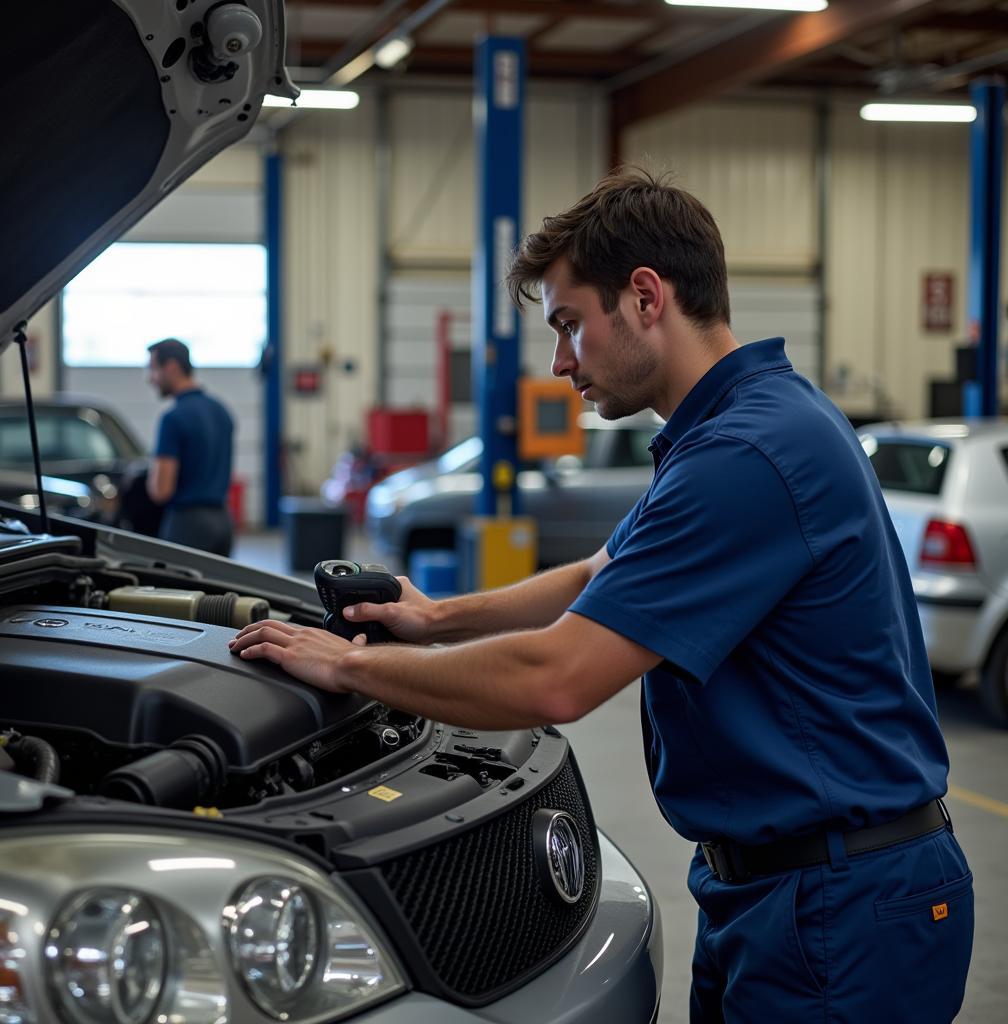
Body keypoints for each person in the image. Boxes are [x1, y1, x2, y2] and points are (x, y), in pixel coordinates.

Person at [229, 168, 973, 1022]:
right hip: (785, 889)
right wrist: (431, 618)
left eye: (569, 324)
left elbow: (558, 679)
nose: (559, 362)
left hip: (840, 906)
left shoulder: (748, 455)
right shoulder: (742, 423)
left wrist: (355, 669)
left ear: (646, 297)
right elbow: (597, 574)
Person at [146, 337, 235, 556]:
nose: (151, 379)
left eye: (153, 370)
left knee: (179, 591)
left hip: (187, 525)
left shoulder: (173, 418)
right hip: (223, 522)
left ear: (172, 367)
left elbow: (161, 490)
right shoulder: (222, 411)